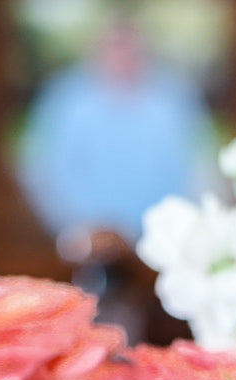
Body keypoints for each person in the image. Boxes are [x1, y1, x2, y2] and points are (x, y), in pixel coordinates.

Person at [17, 19, 214, 245]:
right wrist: (75, 227)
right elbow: (39, 171)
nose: (122, 56)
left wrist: (181, 225)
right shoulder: (66, 98)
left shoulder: (173, 96)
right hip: (85, 238)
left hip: (166, 237)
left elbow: (202, 166)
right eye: (114, 48)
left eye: (129, 48)